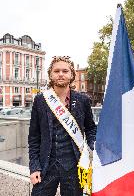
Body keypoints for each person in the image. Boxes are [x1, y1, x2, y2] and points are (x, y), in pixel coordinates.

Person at [28, 56, 97, 196]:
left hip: (73, 165)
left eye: (65, 71)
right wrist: (34, 167)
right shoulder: (41, 100)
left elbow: (90, 128)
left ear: (71, 75)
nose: (60, 74)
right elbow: (34, 137)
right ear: (50, 74)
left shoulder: (83, 100)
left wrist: (92, 150)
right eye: (56, 71)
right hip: (46, 165)